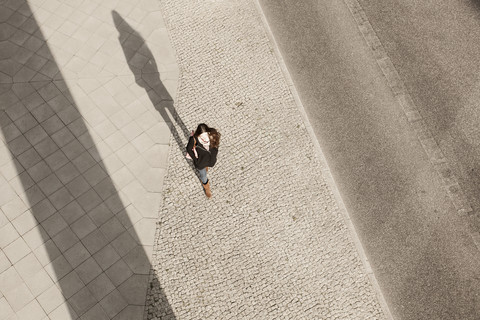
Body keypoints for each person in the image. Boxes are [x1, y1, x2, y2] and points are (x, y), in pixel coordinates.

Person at [186, 123, 221, 198]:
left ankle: (206, 166)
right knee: (203, 175)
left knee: (207, 167)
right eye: (202, 136)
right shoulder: (194, 139)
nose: (205, 138)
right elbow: (188, 149)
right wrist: (196, 159)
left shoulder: (212, 134)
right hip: (200, 162)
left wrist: (215, 151)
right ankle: (207, 187)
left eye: (206, 135)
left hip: (211, 159)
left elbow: (217, 143)